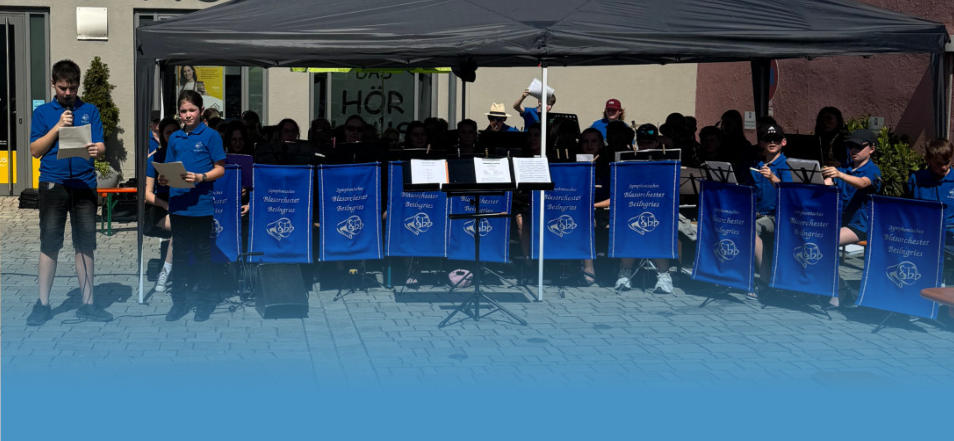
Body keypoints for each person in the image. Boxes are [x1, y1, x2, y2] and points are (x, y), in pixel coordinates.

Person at [26, 59, 113, 325]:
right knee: (50, 243)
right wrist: (57, 127)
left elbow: (101, 145)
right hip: (54, 184)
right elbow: (35, 150)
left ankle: (88, 303)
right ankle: (42, 304)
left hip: (84, 185)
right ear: (53, 84)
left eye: (73, 88)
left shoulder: (90, 110)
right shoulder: (43, 113)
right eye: (63, 88)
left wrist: (98, 150)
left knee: (85, 244)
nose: (68, 93)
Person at [157, 90, 226, 322]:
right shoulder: (175, 138)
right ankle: (179, 302)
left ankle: (205, 302)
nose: (187, 115)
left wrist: (201, 177)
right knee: (179, 253)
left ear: (201, 111)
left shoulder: (211, 136)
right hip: (178, 204)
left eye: (191, 110)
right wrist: (163, 178)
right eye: (183, 111)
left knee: (203, 253)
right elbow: (169, 167)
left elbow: (220, 168)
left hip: (201, 205)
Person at [821, 129, 881, 307]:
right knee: (817, 240)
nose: (853, 150)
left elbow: (862, 183)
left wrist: (839, 175)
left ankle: (840, 290)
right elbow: (827, 187)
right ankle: (836, 287)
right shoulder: (845, 169)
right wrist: (823, 178)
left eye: (859, 147)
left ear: (871, 149)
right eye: (851, 146)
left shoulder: (872, 170)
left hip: (861, 225)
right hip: (842, 222)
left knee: (826, 241)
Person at [749, 119, 793, 298]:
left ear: (784, 142)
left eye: (776, 139)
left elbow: (790, 193)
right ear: (761, 143)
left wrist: (773, 178)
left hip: (779, 216)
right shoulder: (757, 165)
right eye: (768, 139)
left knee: (752, 229)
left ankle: (765, 280)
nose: (772, 142)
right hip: (759, 213)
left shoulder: (787, 165)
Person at [145, 117, 180, 292]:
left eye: (175, 132)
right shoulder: (156, 158)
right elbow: (147, 194)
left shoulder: (186, 156)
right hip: (159, 208)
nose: (172, 136)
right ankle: (165, 271)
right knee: (180, 225)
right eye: (168, 133)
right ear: (162, 136)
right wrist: (166, 205)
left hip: (182, 205)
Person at [906, 138, 954, 254]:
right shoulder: (916, 179)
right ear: (928, 160)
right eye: (939, 164)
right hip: (923, 238)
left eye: (947, 162)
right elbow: (908, 210)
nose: (944, 167)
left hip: (950, 241)